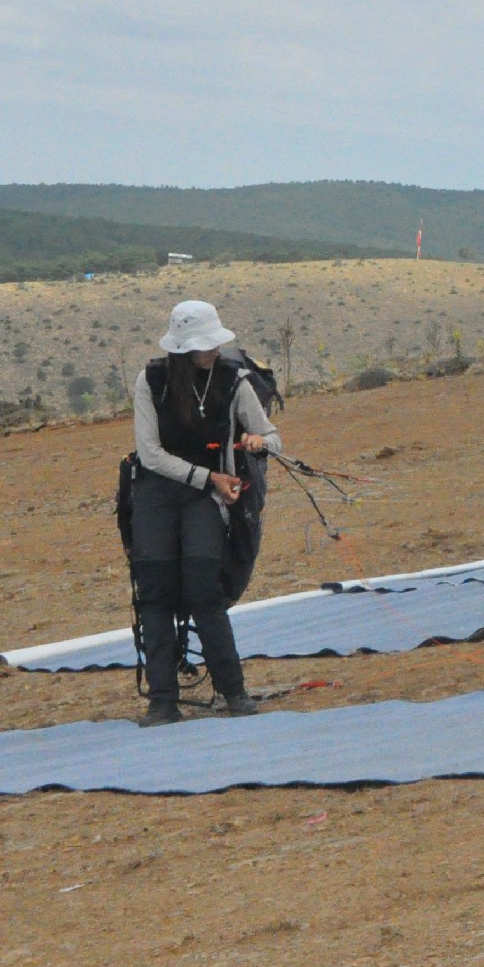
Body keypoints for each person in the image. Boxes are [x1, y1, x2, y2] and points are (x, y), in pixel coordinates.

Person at [129, 299, 279, 726]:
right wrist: (207, 477)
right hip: (158, 493)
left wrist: (258, 443)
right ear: (182, 348)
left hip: (205, 500)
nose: (214, 350)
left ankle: (234, 693)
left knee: (203, 590)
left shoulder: (235, 380)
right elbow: (149, 454)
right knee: (154, 595)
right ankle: (162, 701)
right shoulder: (150, 380)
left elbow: (271, 436)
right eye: (204, 343)